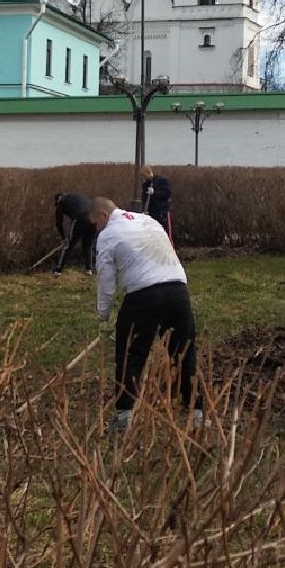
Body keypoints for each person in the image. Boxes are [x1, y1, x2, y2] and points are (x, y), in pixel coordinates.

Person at [90, 197, 200, 434]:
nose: (96, 229)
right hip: (178, 290)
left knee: (131, 353)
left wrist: (104, 315)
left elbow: (106, 280)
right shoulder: (149, 220)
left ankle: (124, 417)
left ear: (103, 217)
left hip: (143, 296)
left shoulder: (108, 234)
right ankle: (197, 412)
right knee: (184, 352)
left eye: (96, 224)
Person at [53, 192, 97, 275]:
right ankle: (89, 270)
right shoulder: (79, 196)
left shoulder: (61, 202)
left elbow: (58, 223)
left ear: (58, 199)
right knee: (87, 245)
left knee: (69, 246)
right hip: (94, 218)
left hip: (80, 218)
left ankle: (58, 270)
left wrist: (64, 238)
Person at [140, 165, 173, 239]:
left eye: (144, 175)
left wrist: (155, 193)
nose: (144, 178)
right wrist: (144, 210)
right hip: (151, 213)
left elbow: (167, 194)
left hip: (162, 211)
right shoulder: (145, 185)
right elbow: (144, 199)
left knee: (165, 233)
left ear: (148, 172)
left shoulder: (161, 181)